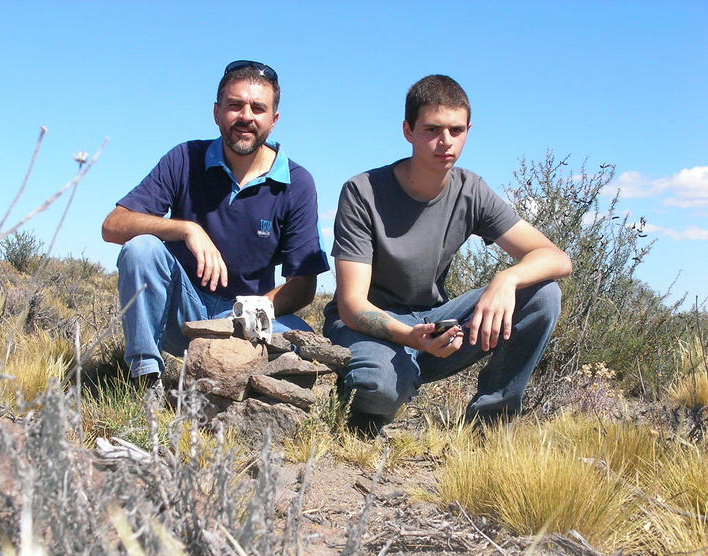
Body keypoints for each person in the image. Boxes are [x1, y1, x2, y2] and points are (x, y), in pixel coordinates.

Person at [323, 74, 572, 432]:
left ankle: (488, 426)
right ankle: (378, 383)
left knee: (542, 294)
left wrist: (506, 279)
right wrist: (410, 338)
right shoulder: (363, 192)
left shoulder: (471, 190)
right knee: (376, 392)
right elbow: (352, 306)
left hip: (434, 323)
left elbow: (557, 258)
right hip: (370, 328)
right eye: (432, 130)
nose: (445, 142)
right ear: (408, 131)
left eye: (456, 131)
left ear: (469, 130)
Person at [102, 60, 329, 383]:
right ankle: (144, 378)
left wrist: (252, 309)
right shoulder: (184, 158)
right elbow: (113, 225)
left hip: (243, 319)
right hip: (181, 314)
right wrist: (186, 229)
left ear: (274, 120)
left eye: (257, 108)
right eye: (235, 105)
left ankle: (246, 391)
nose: (246, 117)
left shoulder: (297, 182)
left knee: (303, 340)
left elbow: (303, 285)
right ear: (217, 111)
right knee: (142, 249)